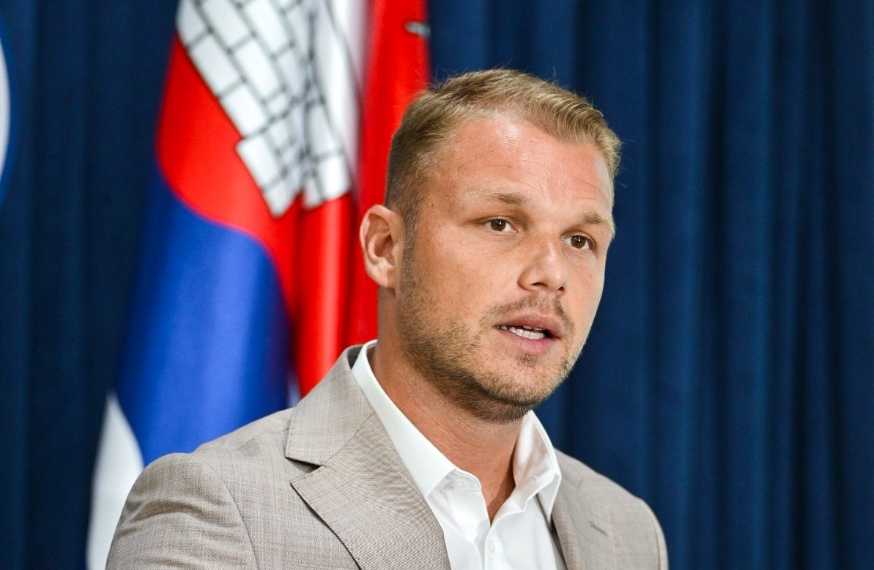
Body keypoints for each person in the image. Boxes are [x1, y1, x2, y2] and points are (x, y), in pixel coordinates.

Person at [107, 69, 667, 569]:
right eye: (500, 223)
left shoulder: (626, 531)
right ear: (385, 248)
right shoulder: (217, 508)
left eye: (579, 240)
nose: (551, 274)